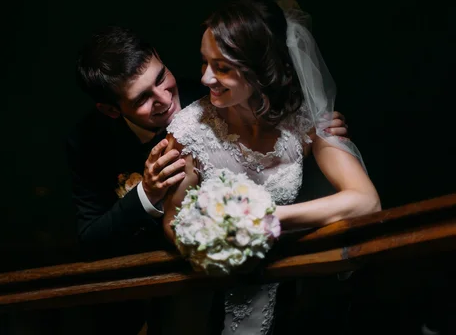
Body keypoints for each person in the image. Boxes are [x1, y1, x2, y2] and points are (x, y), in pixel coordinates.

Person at [67, 19, 351, 334]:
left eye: (162, 77)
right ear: (110, 110)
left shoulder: (211, 96)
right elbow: (91, 240)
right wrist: (145, 195)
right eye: (142, 99)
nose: (163, 98)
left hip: (268, 275)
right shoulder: (88, 142)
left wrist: (311, 128)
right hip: (163, 291)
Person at [161, 0, 381, 335]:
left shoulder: (301, 116)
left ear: (260, 68)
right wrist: (213, 247)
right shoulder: (190, 131)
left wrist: (266, 217)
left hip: (295, 294)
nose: (205, 77)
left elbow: (366, 201)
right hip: (217, 300)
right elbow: (173, 221)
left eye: (222, 67)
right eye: (205, 62)